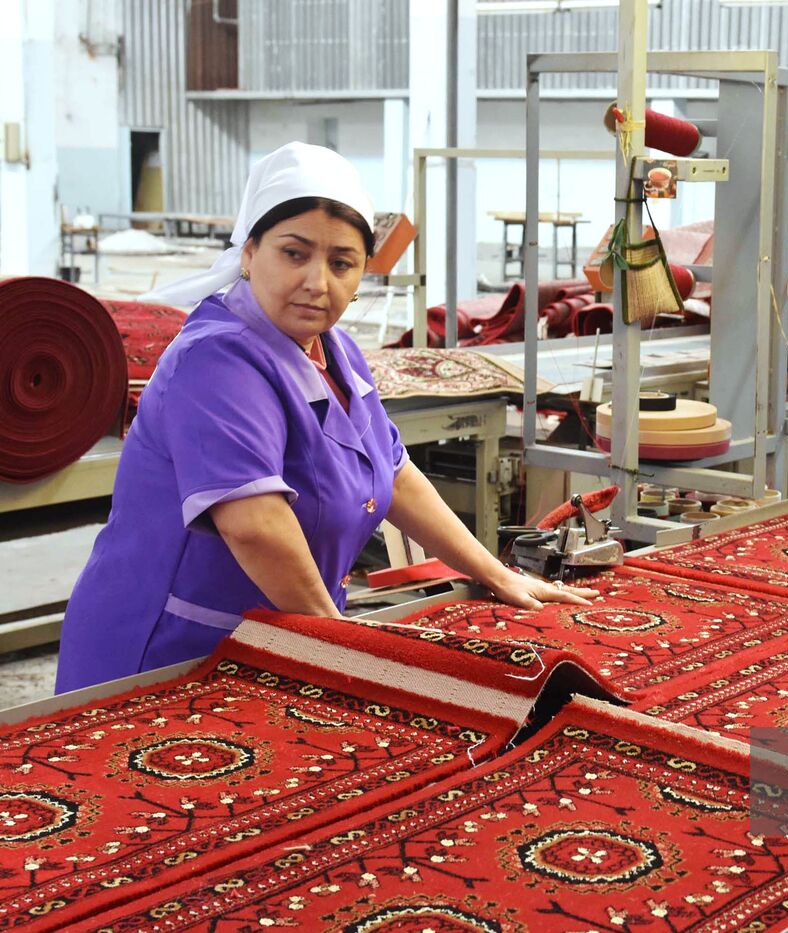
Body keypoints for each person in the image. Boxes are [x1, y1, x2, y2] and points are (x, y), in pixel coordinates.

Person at [56, 143, 596, 694]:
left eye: (341, 263)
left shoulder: (333, 349)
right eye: (295, 254)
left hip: (281, 635)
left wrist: (496, 573)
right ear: (248, 253)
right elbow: (255, 526)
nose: (318, 281)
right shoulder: (216, 360)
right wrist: (349, 650)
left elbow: (395, 475)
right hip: (167, 650)